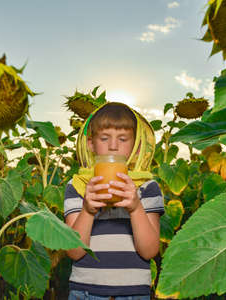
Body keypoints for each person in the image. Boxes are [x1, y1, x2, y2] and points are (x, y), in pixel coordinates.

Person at [64, 102, 164, 300]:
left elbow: (150, 251)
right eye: (104, 138)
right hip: (85, 291)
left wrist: (135, 208)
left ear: (136, 147)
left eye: (123, 139)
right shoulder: (78, 187)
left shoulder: (147, 188)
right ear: (91, 144)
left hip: (134, 293)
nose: (113, 145)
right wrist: (87, 210)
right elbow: (73, 252)